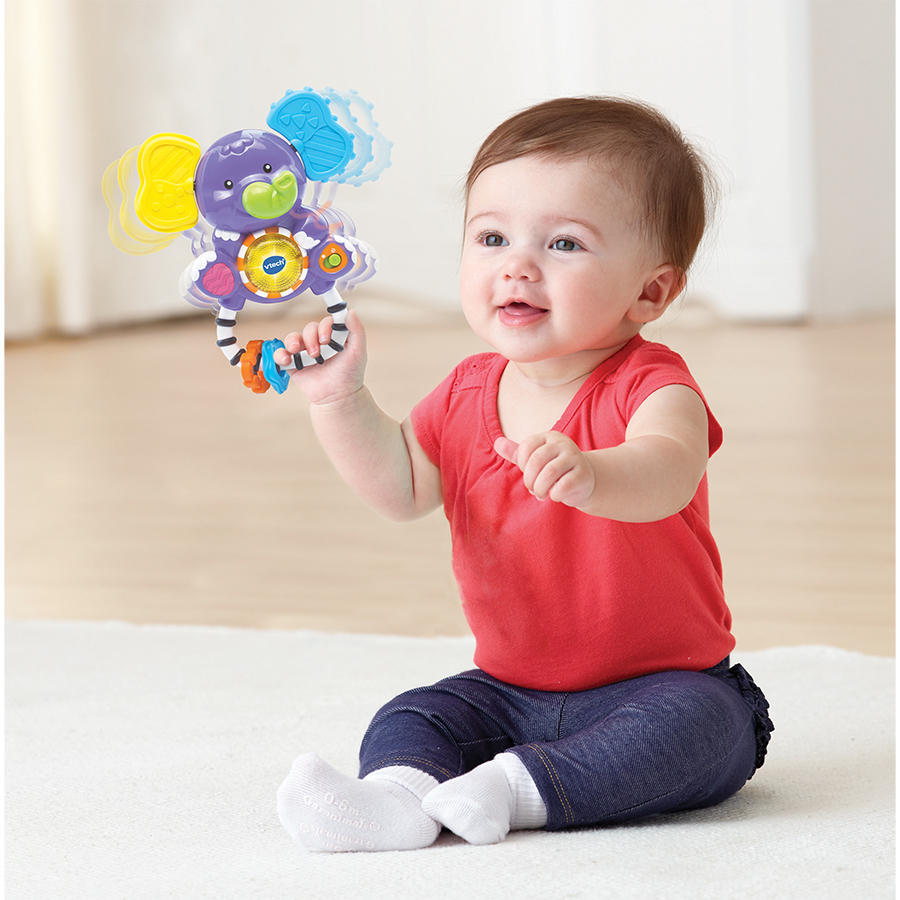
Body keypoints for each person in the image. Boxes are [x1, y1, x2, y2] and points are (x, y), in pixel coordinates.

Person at [273, 96, 773, 853]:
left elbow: (669, 468)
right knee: (414, 714)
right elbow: (403, 489)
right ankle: (399, 796)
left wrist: (594, 474)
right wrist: (339, 400)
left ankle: (515, 790)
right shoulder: (467, 391)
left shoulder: (652, 385)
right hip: (508, 692)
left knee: (705, 732)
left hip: (665, 683)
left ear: (651, 292)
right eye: (492, 237)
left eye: (564, 243)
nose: (517, 265)